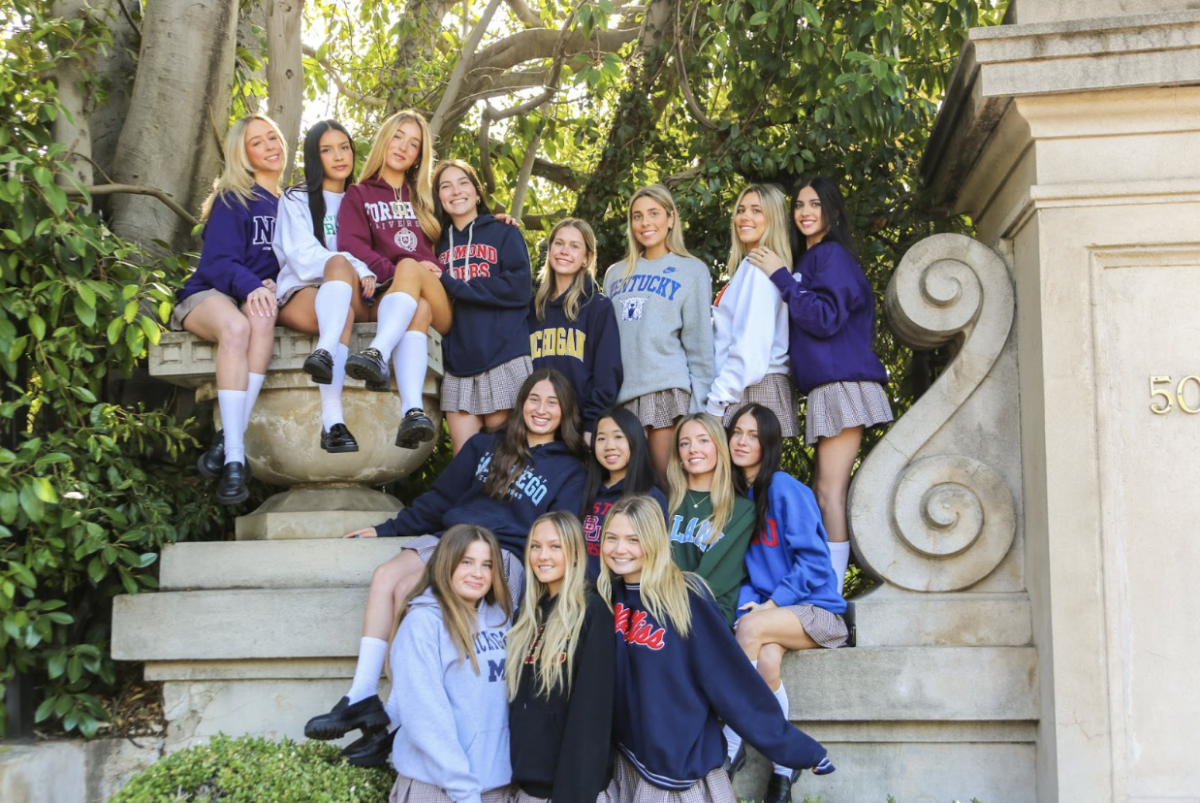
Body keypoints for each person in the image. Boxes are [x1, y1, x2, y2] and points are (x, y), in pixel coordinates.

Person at [303, 369, 586, 743]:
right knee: (387, 575)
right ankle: (362, 694)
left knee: (409, 589)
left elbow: (558, 532)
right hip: (453, 539)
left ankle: (399, 717)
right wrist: (384, 529)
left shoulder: (570, 469)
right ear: (522, 403)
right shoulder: (486, 446)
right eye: (534, 398)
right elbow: (439, 500)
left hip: (503, 555)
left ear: (565, 412)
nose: (541, 409)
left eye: (552, 402)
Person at [598, 495, 834, 803]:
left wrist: (795, 747)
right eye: (612, 538)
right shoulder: (604, 599)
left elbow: (731, 681)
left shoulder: (685, 597)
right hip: (625, 759)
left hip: (681, 766)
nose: (620, 549)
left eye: (633, 539)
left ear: (654, 540)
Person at [748, 177, 893, 594]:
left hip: (844, 384)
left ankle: (828, 596)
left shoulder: (830, 256)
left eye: (815, 204)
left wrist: (781, 276)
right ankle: (824, 587)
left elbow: (826, 318)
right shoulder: (809, 260)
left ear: (832, 212)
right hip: (828, 388)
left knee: (830, 490)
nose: (805, 212)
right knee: (822, 489)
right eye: (799, 205)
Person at [720, 403, 847, 803]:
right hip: (773, 614)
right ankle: (782, 771)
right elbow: (743, 573)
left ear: (769, 443)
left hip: (818, 611)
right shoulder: (736, 498)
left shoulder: (787, 489)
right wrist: (752, 604)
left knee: (752, 629)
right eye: (737, 432)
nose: (742, 441)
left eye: (753, 435)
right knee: (767, 661)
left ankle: (728, 744)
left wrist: (772, 604)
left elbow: (813, 563)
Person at [171, 114, 286, 505]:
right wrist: (254, 284)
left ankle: (226, 443)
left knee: (263, 314)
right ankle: (236, 455)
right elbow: (217, 263)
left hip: (248, 297)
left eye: (273, 137)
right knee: (237, 328)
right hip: (207, 295)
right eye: (258, 142)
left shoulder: (291, 206)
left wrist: (275, 284)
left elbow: (299, 264)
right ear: (244, 154)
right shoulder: (233, 197)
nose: (270, 146)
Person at [382, 524, 515, 803]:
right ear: (446, 563)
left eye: (487, 565)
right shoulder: (423, 624)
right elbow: (425, 716)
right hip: (438, 788)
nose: (477, 573)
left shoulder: (501, 619)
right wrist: (463, 791)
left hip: (497, 786)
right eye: (467, 562)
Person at [336, 109, 446, 449]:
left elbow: (466, 213)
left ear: (417, 157)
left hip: (439, 295)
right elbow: (350, 244)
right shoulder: (359, 194)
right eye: (398, 136)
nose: (403, 147)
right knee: (418, 309)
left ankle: (377, 354)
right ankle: (413, 411)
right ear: (385, 139)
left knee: (413, 269)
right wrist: (394, 271)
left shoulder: (425, 198)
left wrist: (495, 221)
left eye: (413, 144)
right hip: (394, 296)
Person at [272, 120, 383, 454]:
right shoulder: (296, 198)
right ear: (314, 156)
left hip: (359, 291)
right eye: (327, 149)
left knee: (341, 289)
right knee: (339, 302)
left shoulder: (363, 199)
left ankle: (325, 351)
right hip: (303, 291)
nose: (338, 156)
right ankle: (333, 424)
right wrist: (351, 266)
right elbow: (301, 256)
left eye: (344, 147)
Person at [604, 185, 714, 480]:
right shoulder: (615, 274)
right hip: (622, 397)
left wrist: (701, 411)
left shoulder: (692, 271)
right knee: (628, 489)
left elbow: (699, 345)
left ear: (670, 218)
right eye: (637, 216)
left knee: (667, 485)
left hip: (665, 390)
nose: (645, 223)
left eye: (654, 214)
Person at [507, 512, 616, 803]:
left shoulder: (593, 613)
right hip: (527, 788)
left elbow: (591, 717)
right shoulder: (527, 615)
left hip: (572, 791)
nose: (543, 556)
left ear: (575, 552)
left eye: (555, 547)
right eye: (535, 546)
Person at [433, 159, 533, 454]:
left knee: (507, 462)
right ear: (438, 197)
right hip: (458, 363)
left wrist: (454, 286)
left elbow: (518, 289)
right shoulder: (434, 243)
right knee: (464, 467)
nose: (456, 191)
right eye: (445, 186)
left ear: (477, 193)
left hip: (503, 356)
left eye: (463, 183)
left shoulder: (504, 233)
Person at [706, 184, 799, 438]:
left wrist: (716, 403)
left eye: (756, 210)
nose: (745, 217)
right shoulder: (754, 266)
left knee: (747, 479)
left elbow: (749, 348)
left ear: (773, 219)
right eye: (741, 209)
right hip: (743, 388)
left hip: (750, 390)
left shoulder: (759, 268)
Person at [528, 218, 622, 438]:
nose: (564, 251)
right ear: (550, 249)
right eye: (559, 243)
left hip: (578, 430)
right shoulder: (531, 309)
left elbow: (608, 375)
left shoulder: (598, 307)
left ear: (586, 257)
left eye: (574, 246)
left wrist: (591, 424)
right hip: (534, 426)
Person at [665, 413, 755, 625]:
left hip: (709, 615)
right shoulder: (663, 503)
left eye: (703, 440)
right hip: (660, 608)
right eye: (684, 443)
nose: (692, 449)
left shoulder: (741, 510)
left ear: (719, 447)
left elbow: (719, 577)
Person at [580, 407, 668, 580]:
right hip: (581, 592)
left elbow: (656, 557)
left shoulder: (650, 496)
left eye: (618, 437)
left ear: (634, 441)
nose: (609, 446)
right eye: (601, 438)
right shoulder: (586, 490)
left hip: (624, 595)